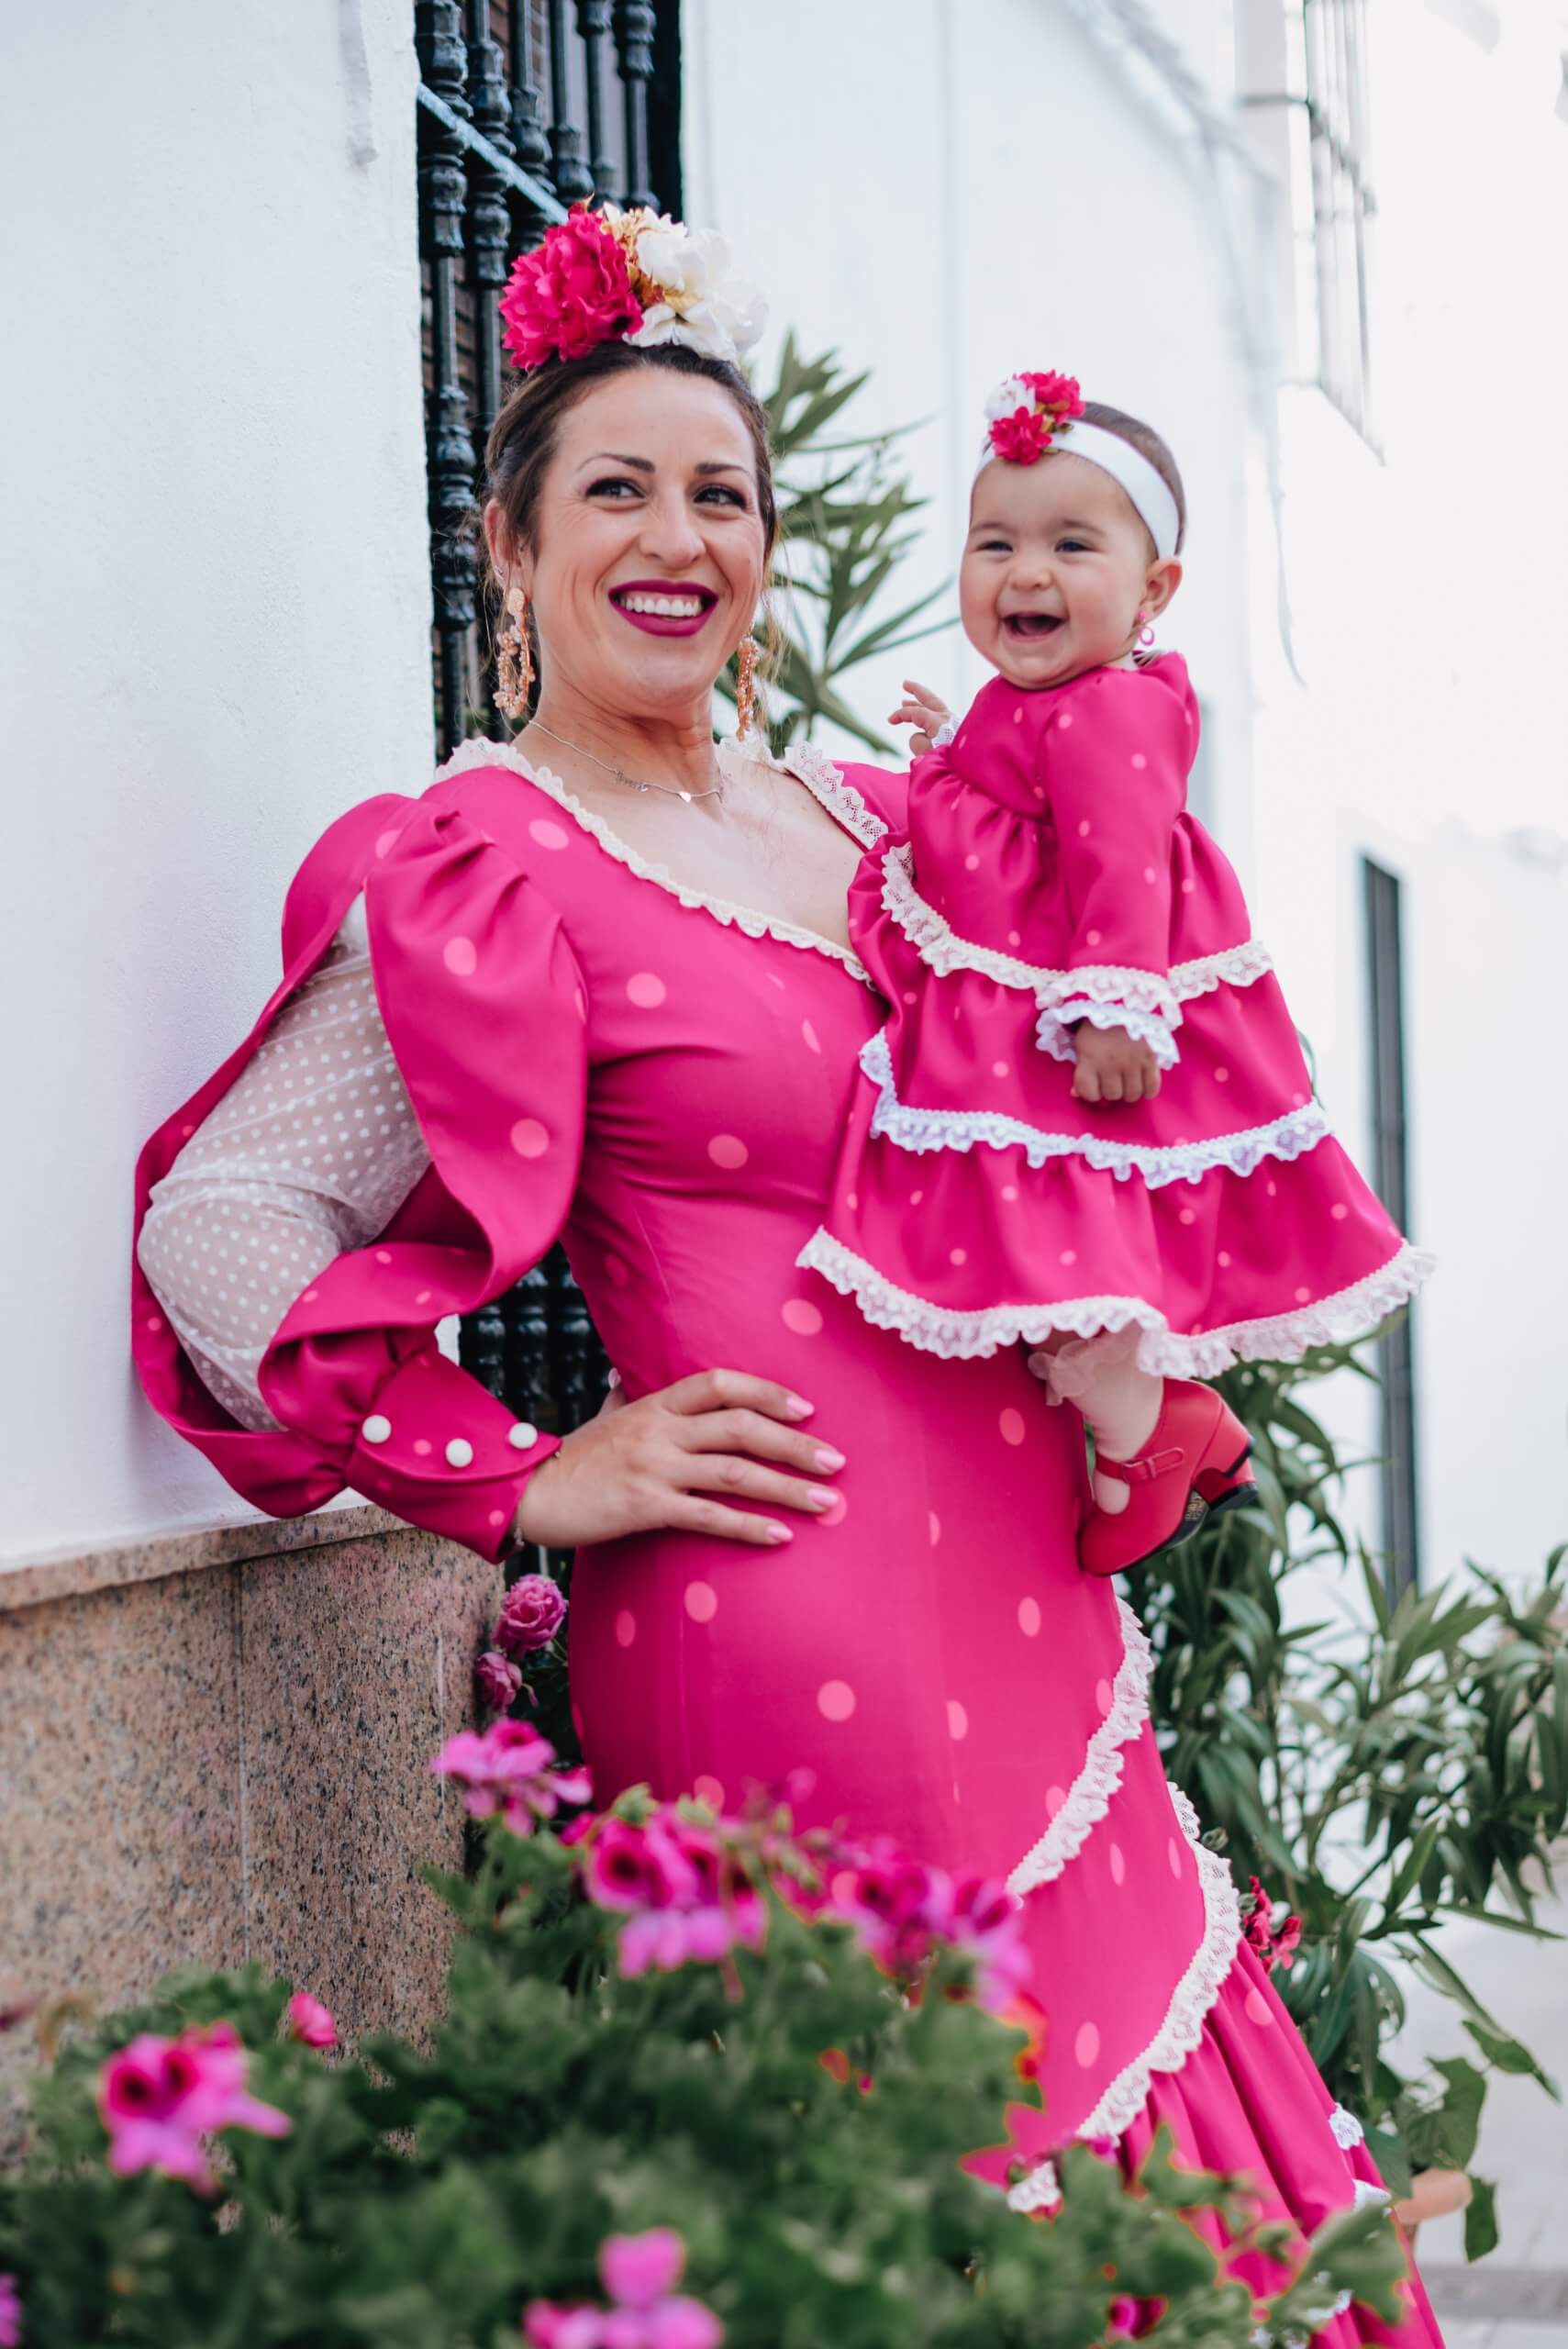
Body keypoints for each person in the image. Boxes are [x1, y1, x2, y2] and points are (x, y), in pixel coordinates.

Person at [131, 211, 1440, 2342]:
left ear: (768, 543)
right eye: (616, 490)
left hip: (1041, 1607)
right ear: (509, 544)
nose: (678, 538)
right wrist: (521, 1470)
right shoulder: (485, 861)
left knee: (1139, 2126)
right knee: (909, 2171)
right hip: (780, 1624)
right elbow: (223, 1222)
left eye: (721, 494)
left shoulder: (864, 820)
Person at [801, 372, 1432, 1575]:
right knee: (1052, 1227)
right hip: (1033, 978)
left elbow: (1123, 864)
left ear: (1153, 590)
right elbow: (1024, 805)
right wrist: (950, 750)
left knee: (1076, 1233)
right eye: (995, 543)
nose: (1025, 572)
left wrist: (1113, 1005)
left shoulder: (1113, 712)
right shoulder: (1044, 700)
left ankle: (1146, 1428)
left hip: (1074, 997)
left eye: (1070, 545)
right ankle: (1147, 1422)